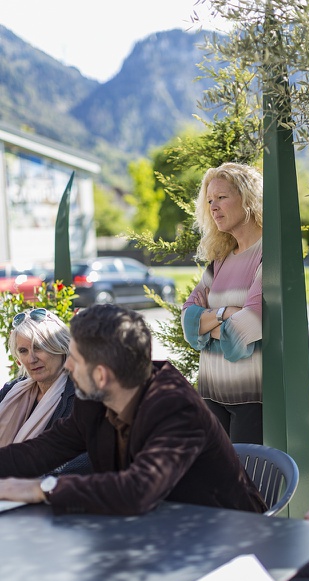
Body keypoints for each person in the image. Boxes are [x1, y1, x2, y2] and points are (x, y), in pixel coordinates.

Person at [0, 303, 267, 516]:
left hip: (229, 538)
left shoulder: (176, 409)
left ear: (101, 375)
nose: (67, 367)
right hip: (158, 531)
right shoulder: (93, 401)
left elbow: (138, 490)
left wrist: (42, 488)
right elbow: (42, 450)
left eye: (75, 360)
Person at [182, 162, 263, 444]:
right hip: (210, 393)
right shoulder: (220, 260)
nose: (213, 207)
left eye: (221, 197)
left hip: (250, 398)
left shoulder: (267, 255)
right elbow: (187, 322)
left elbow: (244, 329)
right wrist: (226, 313)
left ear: (248, 198)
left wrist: (206, 322)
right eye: (209, 201)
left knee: (245, 472)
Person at [0, 307, 91, 474]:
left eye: (39, 347)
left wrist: (44, 480)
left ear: (61, 347)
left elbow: (92, 455)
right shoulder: (11, 391)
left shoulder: (83, 395)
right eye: (23, 351)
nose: (31, 359)